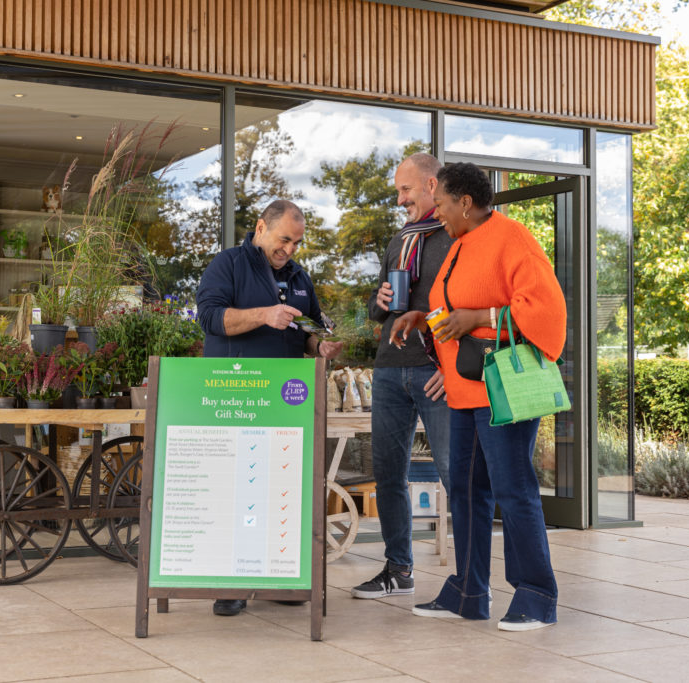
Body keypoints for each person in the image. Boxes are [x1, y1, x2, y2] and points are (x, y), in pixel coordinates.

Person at [389, 162, 566, 631]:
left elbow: (546, 308)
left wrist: (477, 316)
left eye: (443, 204)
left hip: (502, 389)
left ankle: (536, 596)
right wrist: (422, 316)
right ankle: (469, 591)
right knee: (466, 491)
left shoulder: (513, 239)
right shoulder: (462, 244)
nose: (439, 213)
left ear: (464, 202)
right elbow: (454, 304)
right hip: (465, 391)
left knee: (513, 489)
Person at [196, 198, 343, 617]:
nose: (290, 251)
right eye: (284, 240)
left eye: (297, 243)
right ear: (261, 227)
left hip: (284, 401)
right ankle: (232, 586)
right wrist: (264, 314)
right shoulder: (228, 264)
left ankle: (279, 578)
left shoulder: (300, 277)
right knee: (237, 492)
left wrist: (321, 345)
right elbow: (209, 319)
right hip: (234, 395)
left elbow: (309, 330)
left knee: (279, 490)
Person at [351, 152, 453, 600]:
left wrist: (453, 369)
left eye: (405, 190)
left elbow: (468, 308)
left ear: (432, 186)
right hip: (391, 372)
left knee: (455, 473)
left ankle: (469, 578)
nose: (399, 199)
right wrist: (380, 298)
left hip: (436, 373)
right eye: (397, 191)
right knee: (389, 475)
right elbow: (380, 310)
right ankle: (399, 570)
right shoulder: (400, 240)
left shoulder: (456, 236)